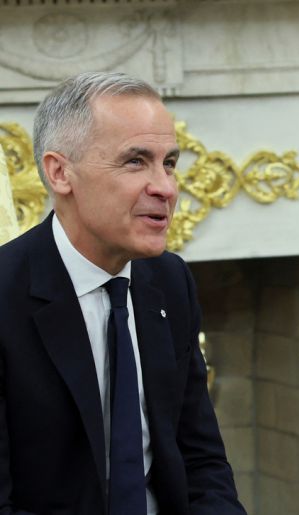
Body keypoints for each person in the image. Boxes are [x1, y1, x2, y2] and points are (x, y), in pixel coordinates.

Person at [0, 72, 246, 514]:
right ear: (60, 173)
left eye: (169, 163)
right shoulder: (5, 294)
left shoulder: (170, 280)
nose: (165, 188)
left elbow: (202, 461)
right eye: (135, 161)